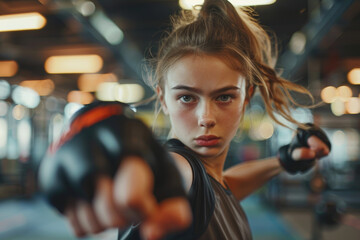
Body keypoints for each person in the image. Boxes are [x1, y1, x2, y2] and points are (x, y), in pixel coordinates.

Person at [38, 0, 331, 240]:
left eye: (224, 97)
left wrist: (285, 160)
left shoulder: (209, 183)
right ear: (163, 99)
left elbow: (226, 185)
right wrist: (114, 154)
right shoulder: (179, 169)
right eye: (187, 98)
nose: (206, 118)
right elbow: (172, 176)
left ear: (247, 97)